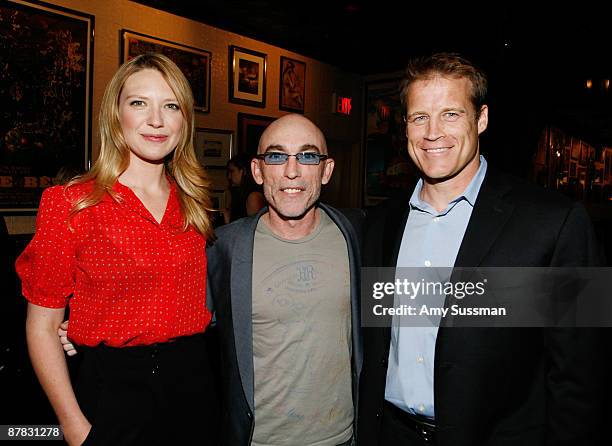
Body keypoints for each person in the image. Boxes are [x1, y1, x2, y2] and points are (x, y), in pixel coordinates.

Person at [358, 53, 603, 445]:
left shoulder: (553, 223)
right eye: (419, 117)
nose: (432, 132)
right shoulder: (380, 223)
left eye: (451, 114)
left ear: (482, 118)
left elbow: (580, 375)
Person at [16, 53, 218, 446]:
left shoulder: (195, 203)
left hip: (194, 386)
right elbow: (41, 326)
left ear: (185, 120)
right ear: (115, 113)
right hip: (112, 393)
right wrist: (73, 426)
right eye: (139, 103)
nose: (156, 120)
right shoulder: (74, 203)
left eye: (171, 105)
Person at [207, 114, 363, 445]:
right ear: (258, 170)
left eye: (308, 156)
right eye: (277, 156)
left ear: (327, 170)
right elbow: (178, 326)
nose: (292, 171)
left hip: (343, 438)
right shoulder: (223, 249)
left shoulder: (359, 236)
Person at [223, 153, 266, 224]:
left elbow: (253, 229)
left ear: (244, 171)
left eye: (232, 171)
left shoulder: (253, 197)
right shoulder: (238, 193)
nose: (229, 176)